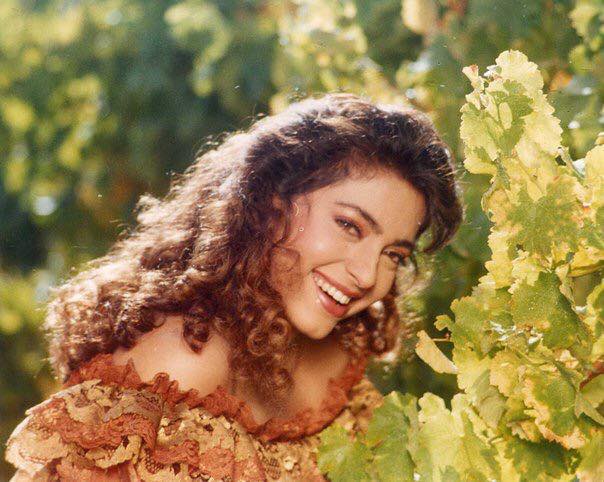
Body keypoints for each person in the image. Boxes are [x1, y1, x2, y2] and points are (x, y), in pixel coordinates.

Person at [5, 92, 463, 481]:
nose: (367, 276)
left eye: (393, 255)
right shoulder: (177, 367)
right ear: (269, 202)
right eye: (349, 226)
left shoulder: (339, 360)